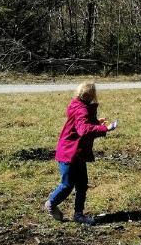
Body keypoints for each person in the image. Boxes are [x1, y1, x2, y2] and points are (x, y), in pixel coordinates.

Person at [43, 81, 117, 225]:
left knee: (82, 184)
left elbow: (84, 126)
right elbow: (83, 129)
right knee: (67, 184)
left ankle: (78, 214)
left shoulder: (79, 106)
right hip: (69, 153)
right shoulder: (81, 109)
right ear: (91, 96)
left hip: (78, 153)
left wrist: (96, 123)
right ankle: (51, 204)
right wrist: (104, 129)